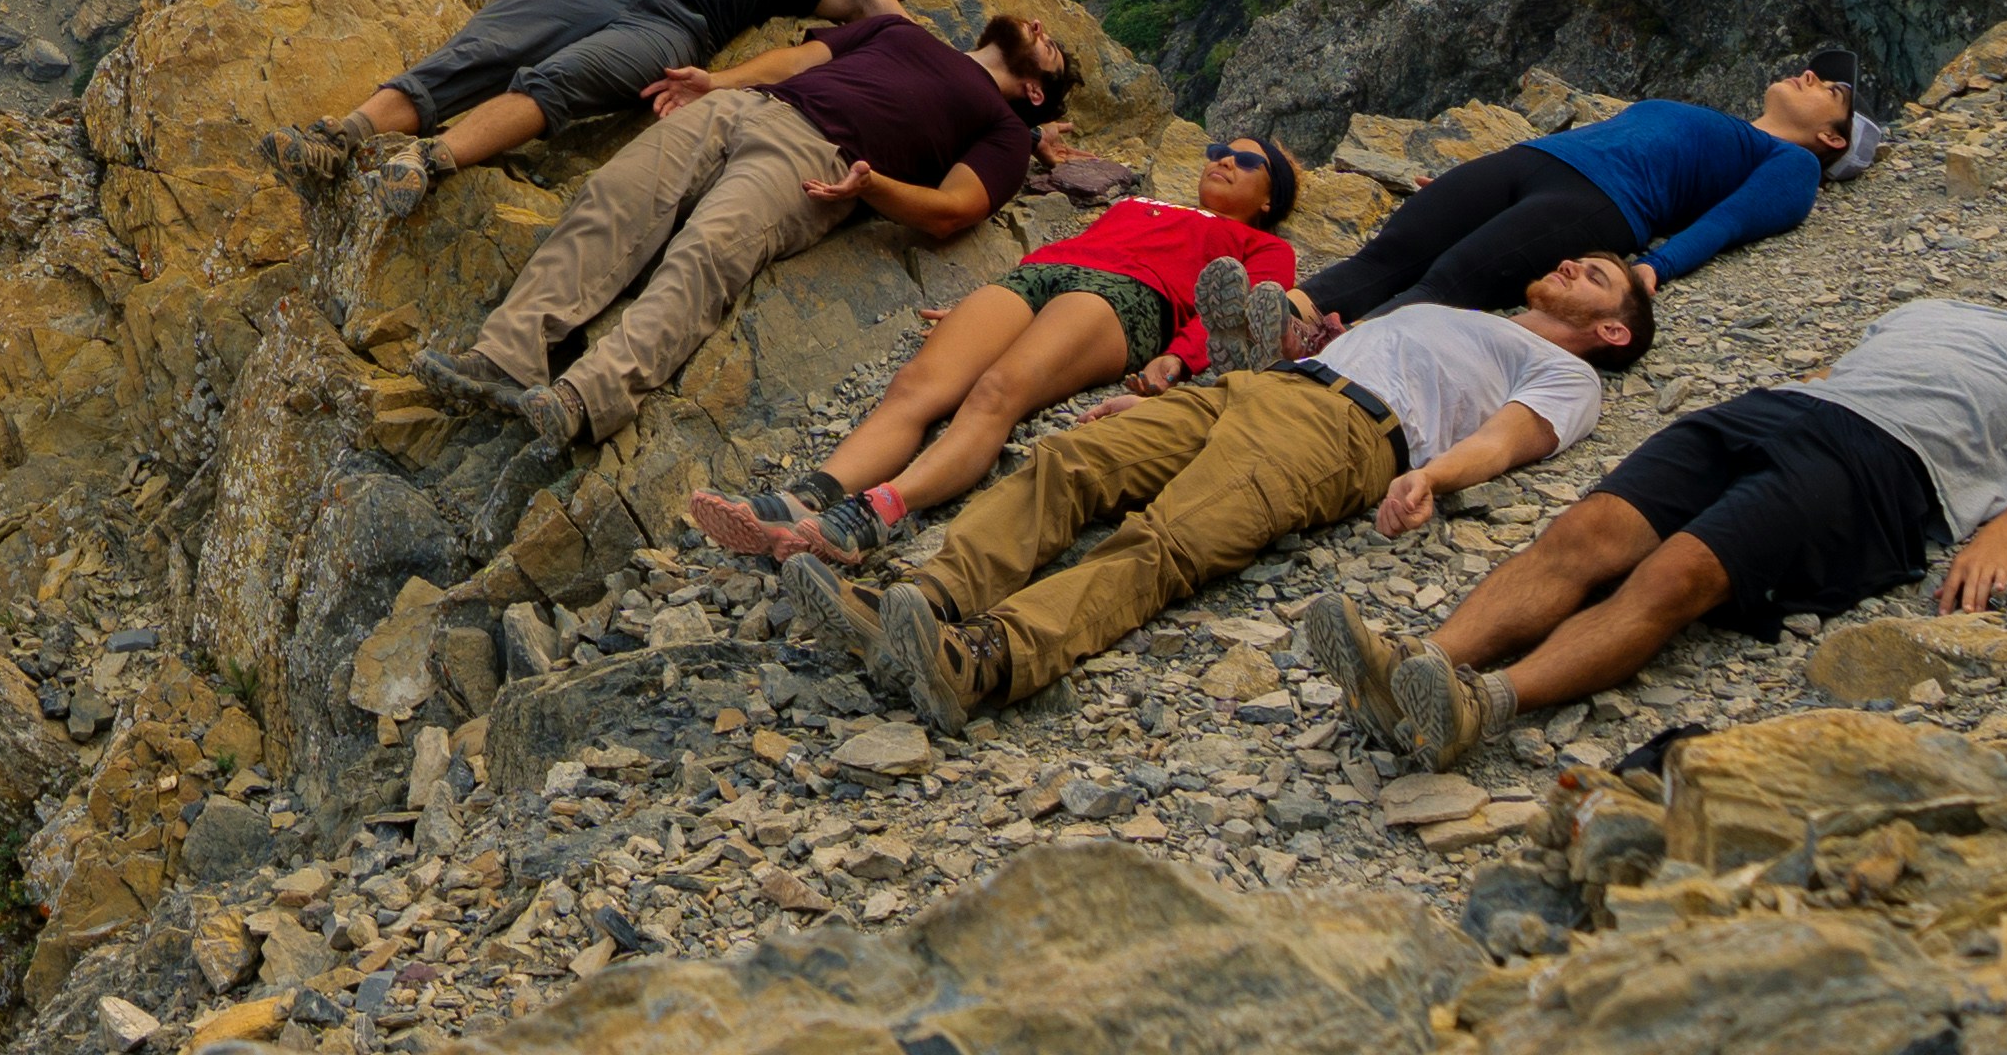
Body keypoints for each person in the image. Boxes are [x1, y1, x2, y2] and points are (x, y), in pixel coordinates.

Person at [1326, 255, 2007, 770]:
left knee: (1678, 574)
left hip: (1888, 463)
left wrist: (2001, 536)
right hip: (1776, 410)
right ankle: (1408, 669)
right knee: (1583, 533)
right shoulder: (1934, 311)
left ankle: (1483, 704)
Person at [800, 247, 1637, 726]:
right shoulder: (1473, 317)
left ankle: (981, 659)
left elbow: (1507, 438)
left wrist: (1431, 476)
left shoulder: (1569, 374)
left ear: (1612, 328)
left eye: (1596, 274)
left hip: (1347, 431)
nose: (1571, 263)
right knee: (1070, 462)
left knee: (1169, 539)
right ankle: (925, 599)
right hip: (1268, 384)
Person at [416, 7, 1079, 452]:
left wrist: (872, 186)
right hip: (746, 106)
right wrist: (718, 83)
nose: (1040, 27)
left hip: (817, 158)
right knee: (612, 198)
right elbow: (800, 59)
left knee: (707, 253)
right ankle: (504, 356)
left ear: (1037, 92)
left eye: (1051, 47)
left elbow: (955, 209)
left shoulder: (1005, 132)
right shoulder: (900, 31)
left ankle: (584, 400)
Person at [683, 134, 1307, 568]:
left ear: (1268, 199)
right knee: (916, 387)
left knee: (997, 392)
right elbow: (1068, 248)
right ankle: (805, 499)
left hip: (1128, 299)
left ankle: (877, 512)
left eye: (1243, 163)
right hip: (1041, 275)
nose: (1222, 161)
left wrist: (1179, 357)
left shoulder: (1263, 245)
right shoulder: (1141, 202)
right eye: (1218, 153)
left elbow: (1239, 310)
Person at [269, 0, 909, 193]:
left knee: (502, 58)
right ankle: (369, 146)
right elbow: (895, 28)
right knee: (539, 78)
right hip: (656, 4)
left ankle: (384, 148)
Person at [1276, 58, 1871, 352]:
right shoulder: (1729, 125)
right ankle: (1276, 319)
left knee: (1448, 282)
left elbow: (1728, 221)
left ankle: (1329, 362)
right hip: (1528, 159)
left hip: (1598, 201)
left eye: (1831, 90)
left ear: (1834, 140)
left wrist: (1654, 269)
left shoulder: (1792, 165)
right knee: (1392, 251)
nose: (1810, 74)